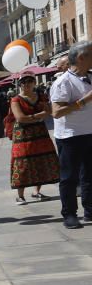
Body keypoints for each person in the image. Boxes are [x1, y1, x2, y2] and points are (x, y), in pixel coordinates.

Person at [49, 41, 92, 229]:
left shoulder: (90, 77)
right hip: (70, 136)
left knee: (89, 175)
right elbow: (56, 112)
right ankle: (69, 214)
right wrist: (85, 100)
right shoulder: (63, 82)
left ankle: (90, 211)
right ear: (82, 58)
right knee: (69, 177)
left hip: (90, 132)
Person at [10, 74, 60, 205]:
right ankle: (20, 195)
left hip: (40, 133)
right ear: (20, 84)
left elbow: (49, 111)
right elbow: (20, 118)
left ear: (34, 83)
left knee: (41, 159)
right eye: (24, 82)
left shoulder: (41, 97)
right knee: (23, 163)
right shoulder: (16, 100)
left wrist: (37, 115)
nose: (27, 84)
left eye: (30, 81)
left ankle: (36, 192)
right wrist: (38, 115)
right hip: (23, 135)